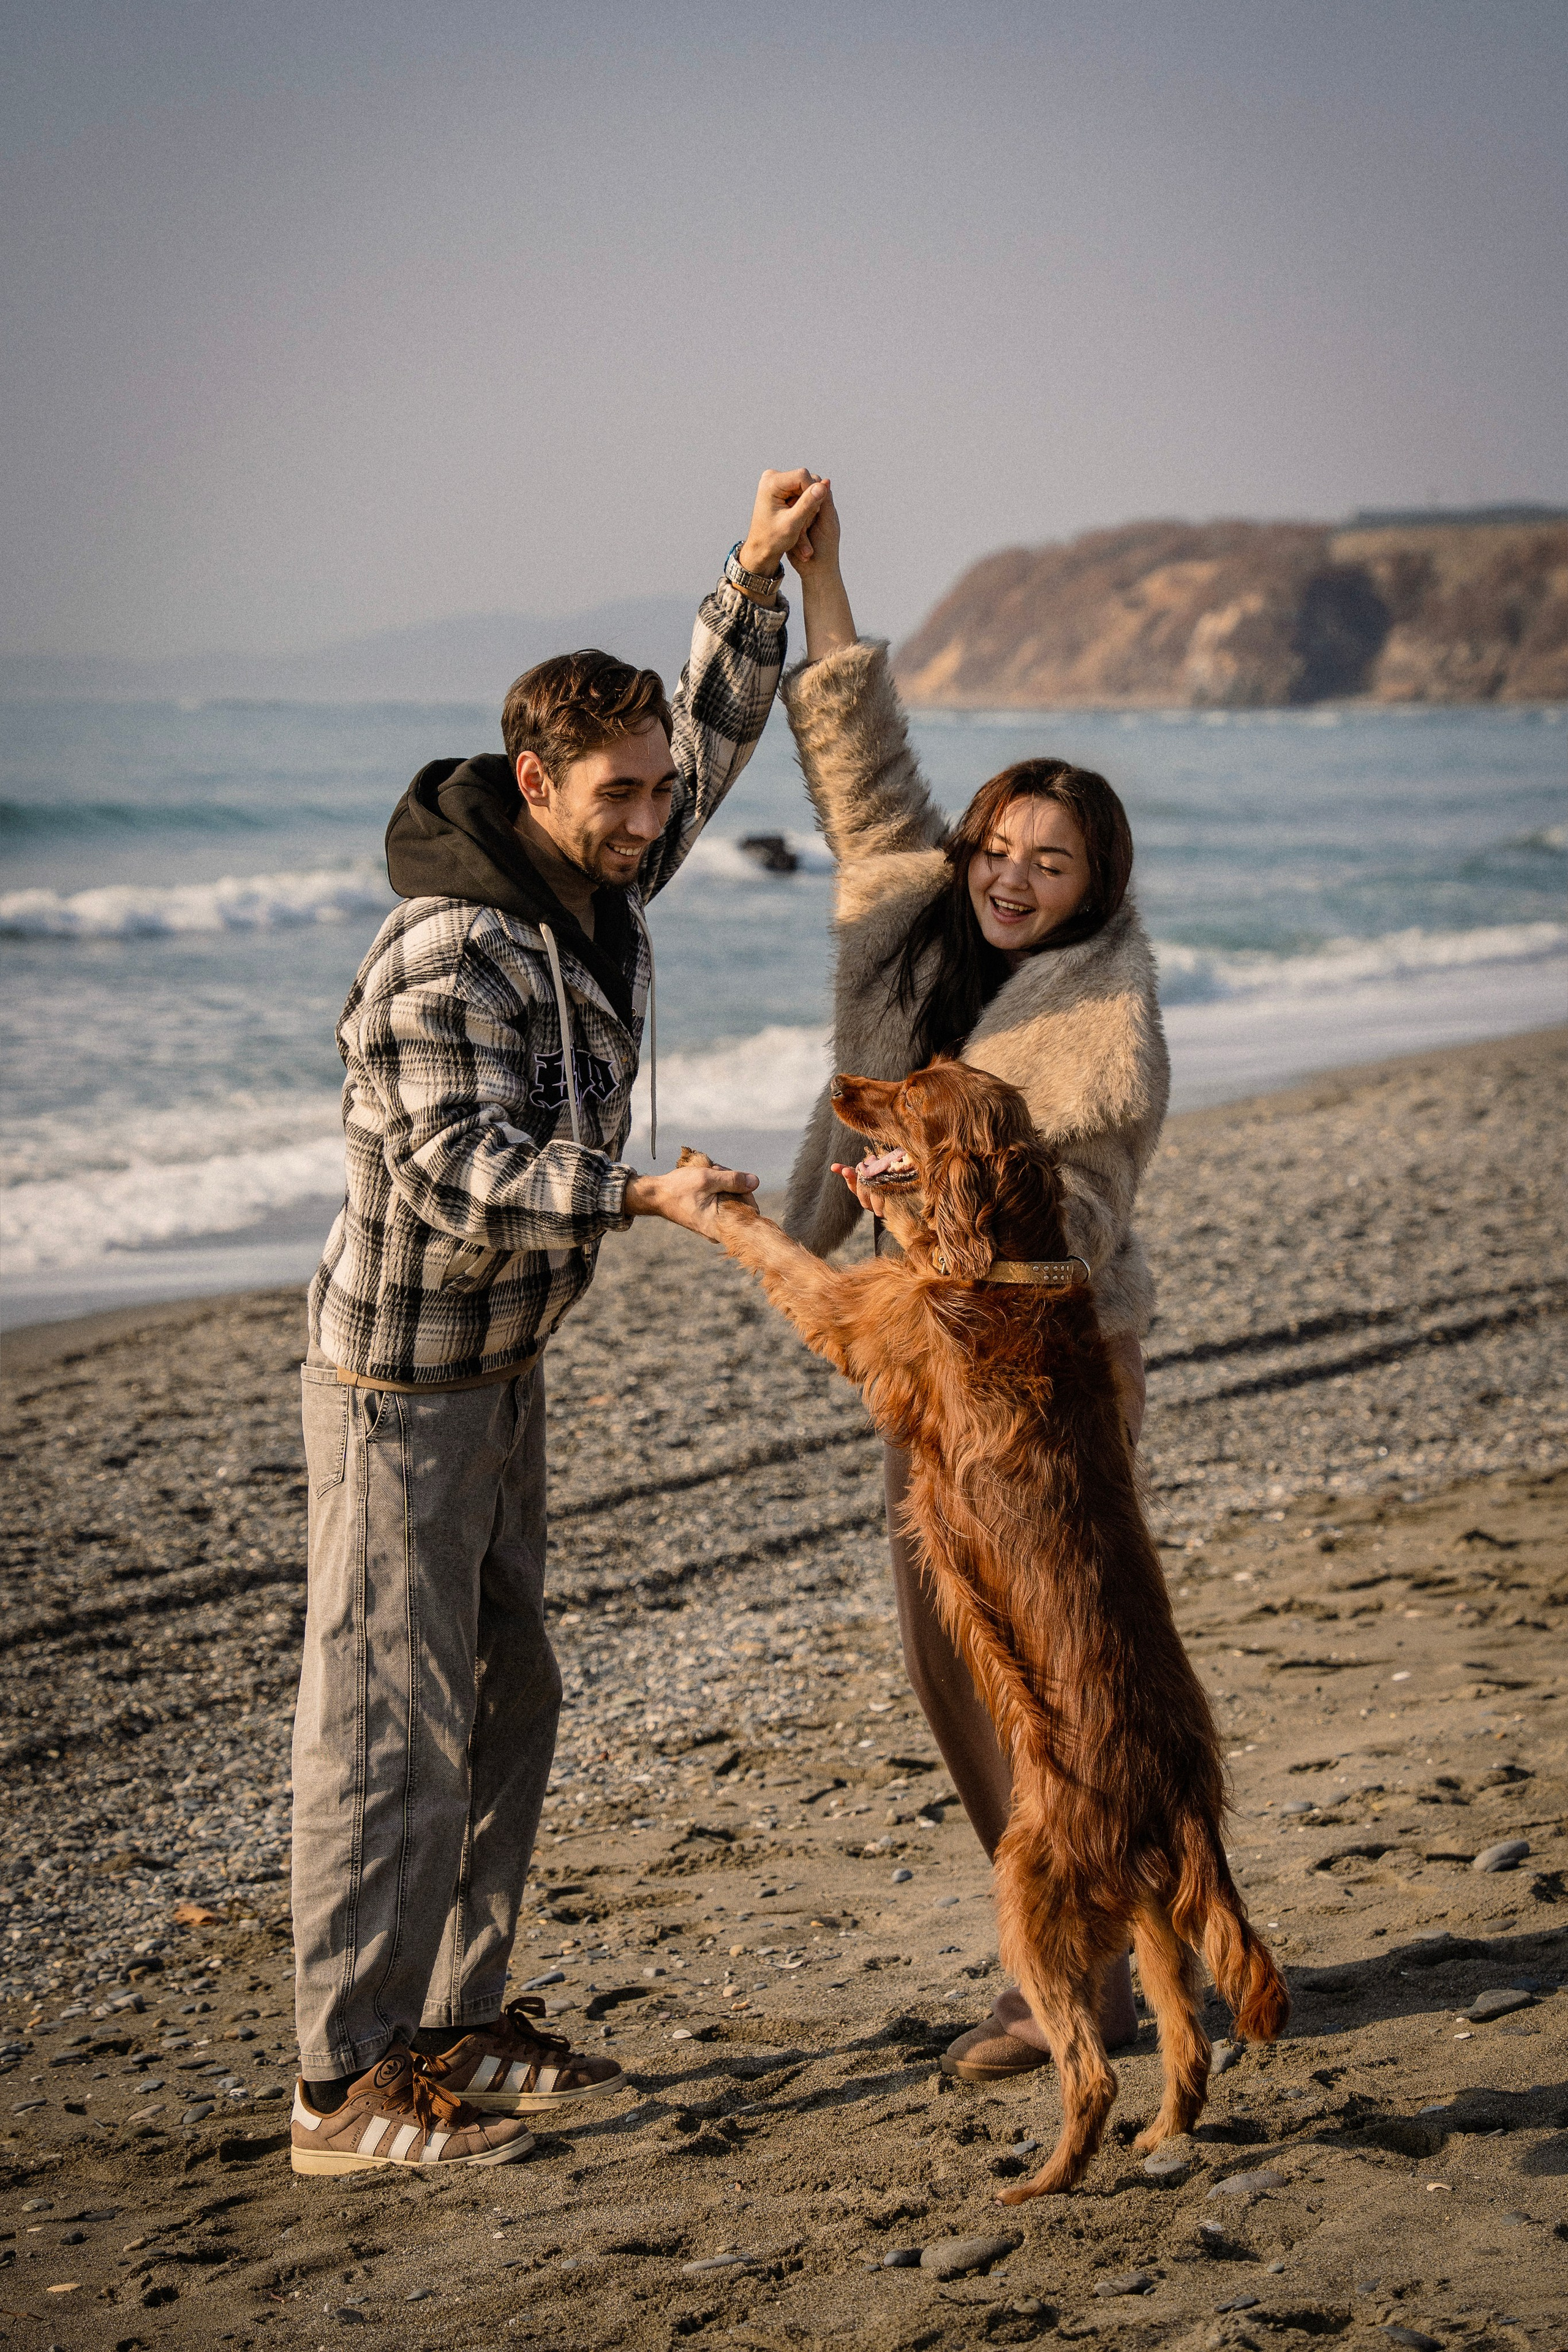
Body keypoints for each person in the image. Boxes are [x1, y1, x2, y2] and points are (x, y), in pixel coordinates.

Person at [288, 468, 827, 2177]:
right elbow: (452, 1168)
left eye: (656, 791)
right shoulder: (446, 951)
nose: (653, 818)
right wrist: (642, 1193)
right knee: (387, 1723)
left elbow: (713, 738)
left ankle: (454, 2022)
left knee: (511, 1695)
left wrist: (755, 579)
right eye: (620, 795)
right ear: (535, 783)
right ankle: (337, 2083)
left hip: (503, 1365)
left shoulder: (598, 880)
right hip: (399, 1384)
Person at [778, 482, 1169, 2084]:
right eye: (998, 848)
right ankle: (1082, 1944)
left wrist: (938, 1214)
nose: (1012, 877)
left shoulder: (1101, 1023)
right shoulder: (927, 931)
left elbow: (1079, 1217)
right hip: (930, 1350)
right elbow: (862, 767)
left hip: (1048, 1369)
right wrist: (823, 576)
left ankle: (1076, 1974)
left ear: (1097, 883)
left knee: (1047, 1665)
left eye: (1049, 862)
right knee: (952, 1656)